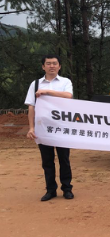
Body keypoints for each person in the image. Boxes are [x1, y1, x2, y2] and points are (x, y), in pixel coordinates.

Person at [25, 55, 74, 201]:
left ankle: (67, 189)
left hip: (62, 127)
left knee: (64, 159)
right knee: (47, 161)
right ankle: (50, 190)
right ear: (43, 67)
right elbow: (31, 107)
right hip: (43, 129)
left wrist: (47, 92)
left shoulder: (65, 82)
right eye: (48, 63)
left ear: (59, 66)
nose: (51, 66)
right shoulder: (35, 84)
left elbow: (68, 96)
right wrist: (31, 128)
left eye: (54, 63)